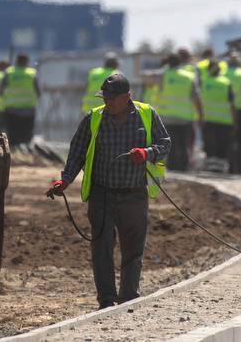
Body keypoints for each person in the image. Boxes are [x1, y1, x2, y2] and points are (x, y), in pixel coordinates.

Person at [47, 73, 170, 309]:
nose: (108, 102)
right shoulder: (94, 118)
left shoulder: (146, 114)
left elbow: (165, 143)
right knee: (102, 248)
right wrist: (65, 181)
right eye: (105, 98)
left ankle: (129, 297)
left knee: (133, 249)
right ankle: (106, 299)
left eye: (113, 98)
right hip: (102, 194)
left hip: (134, 194)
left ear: (127, 97)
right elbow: (77, 153)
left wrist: (147, 153)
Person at [157, 53, 203, 171]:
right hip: (185, 118)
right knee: (184, 145)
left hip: (168, 117)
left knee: (170, 145)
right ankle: (183, 168)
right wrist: (201, 114)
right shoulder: (189, 76)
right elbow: (196, 97)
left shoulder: (163, 75)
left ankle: (172, 169)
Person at [0, 53, 40, 148]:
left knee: (12, 135)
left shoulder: (9, 72)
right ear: (27, 62)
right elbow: (38, 92)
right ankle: (26, 154)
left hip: (11, 110)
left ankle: (14, 155)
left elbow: (1, 91)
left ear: (16, 61)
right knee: (26, 135)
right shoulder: (32, 73)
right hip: (28, 110)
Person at [200, 59, 235, 164]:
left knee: (210, 145)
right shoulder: (227, 83)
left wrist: (199, 117)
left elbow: (199, 101)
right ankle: (220, 165)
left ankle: (211, 164)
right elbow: (232, 104)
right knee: (222, 145)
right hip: (225, 120)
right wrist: (234, 121)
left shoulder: (203, 82)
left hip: (208, 119)